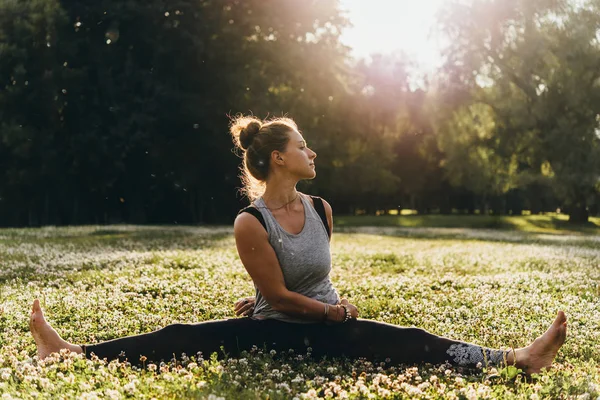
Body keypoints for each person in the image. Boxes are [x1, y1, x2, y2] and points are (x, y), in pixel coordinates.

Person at [30, 115, 567, 374]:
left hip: (325, 319)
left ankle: (515, 358)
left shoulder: (321, 209)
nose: (314, 153)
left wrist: (330, 309)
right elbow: (283, 300)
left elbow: (305, 281)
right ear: (280, 159)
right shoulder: (250, 222)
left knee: (405, 338)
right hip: (280, 329)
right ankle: (71, 353)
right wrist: (325, 315)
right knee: (179, 335)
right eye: (303, 146)